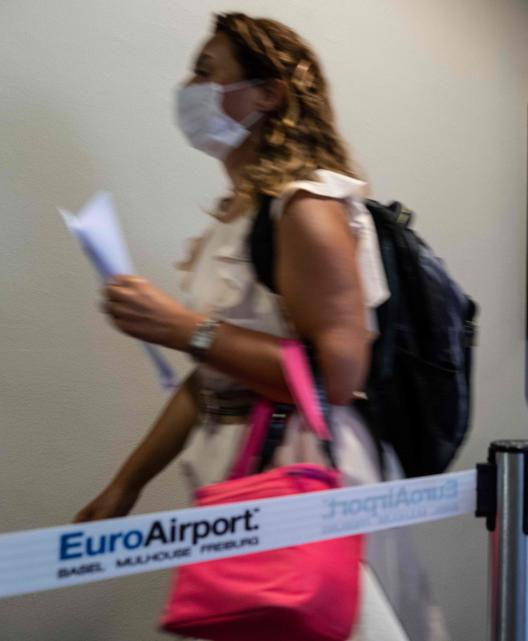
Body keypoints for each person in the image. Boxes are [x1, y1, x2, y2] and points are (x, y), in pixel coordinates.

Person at [73, 13, 446, 641]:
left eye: (206, 72)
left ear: (269, 94)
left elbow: (338, 375)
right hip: (240, 463)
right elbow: (209, 378)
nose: (189, 88)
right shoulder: (236, 216)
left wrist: (185, 328)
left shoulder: (307, 209)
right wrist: (123, 488)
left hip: (306, 466)